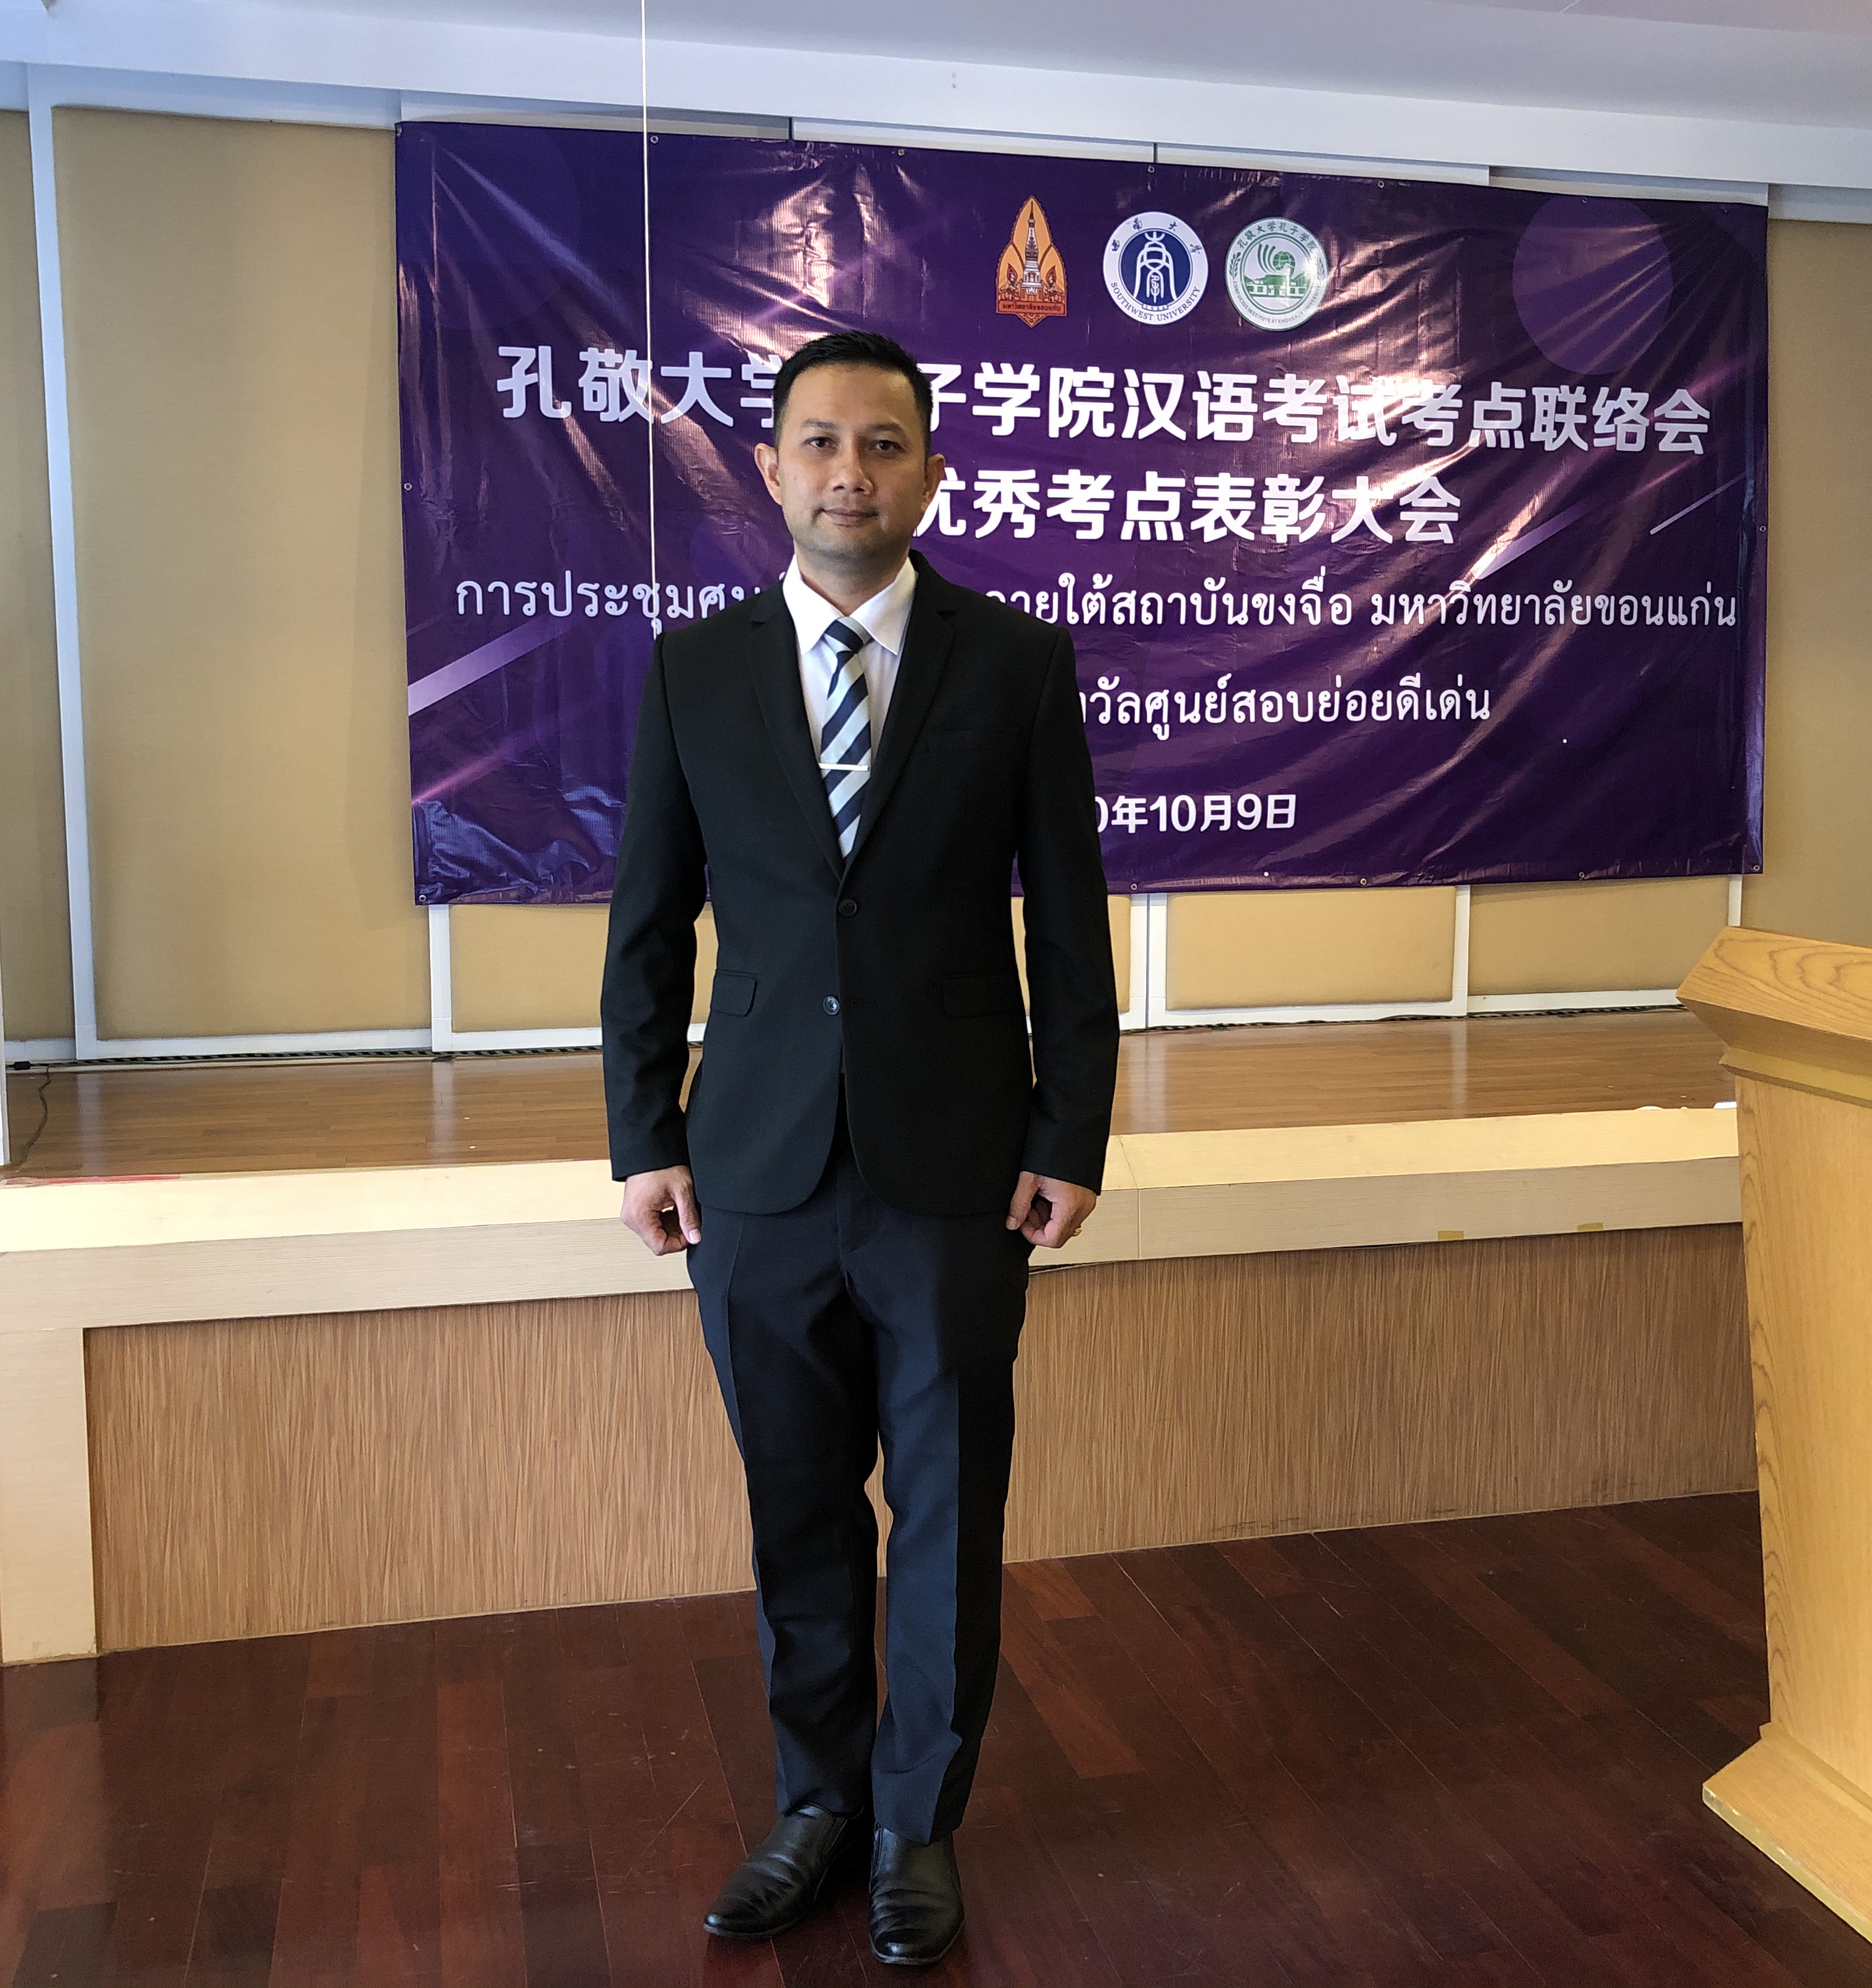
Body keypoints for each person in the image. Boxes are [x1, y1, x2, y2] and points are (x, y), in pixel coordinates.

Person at [599, 329, 1119, 1967]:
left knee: (949, 1506)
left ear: (932, 473)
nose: (850, 472)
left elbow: (1073, 924)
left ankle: (916, 1824)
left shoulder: (1015, 664)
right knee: (798, 1503)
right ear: (768, 469)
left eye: (884, 444)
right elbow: (646, 928)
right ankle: (816, 1805)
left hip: (957, 1165)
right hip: (750, 1168)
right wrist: (641, 1134)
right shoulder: (694, 671)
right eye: (819, 442)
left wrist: (1072, 1132)